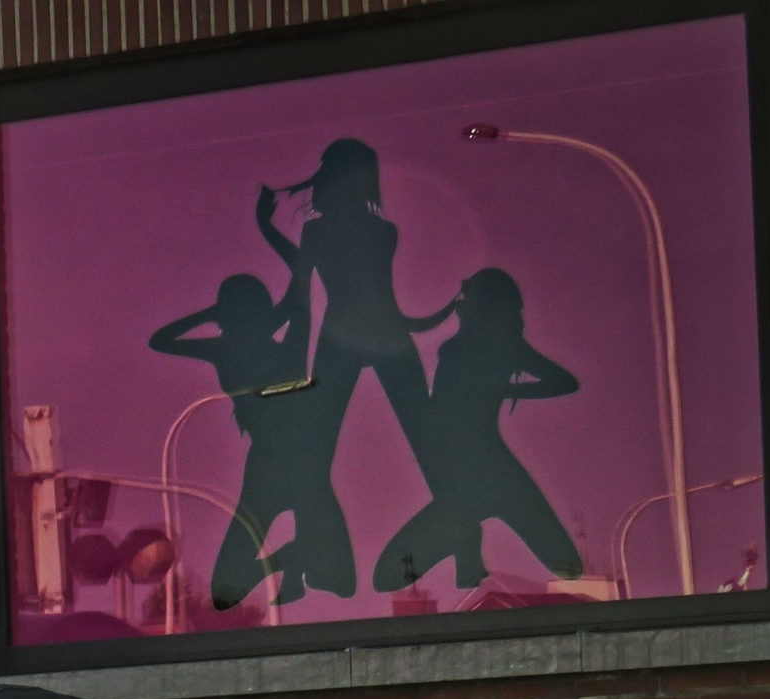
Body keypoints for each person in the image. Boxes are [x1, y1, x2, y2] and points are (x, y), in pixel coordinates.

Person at [254, 138, 456, 597]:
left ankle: (312, 565)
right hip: (377, 338)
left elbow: (301, 293)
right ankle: (315, 565)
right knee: (424, 445)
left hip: (349, 339)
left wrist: (265, 228)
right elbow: (377, 300)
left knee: (317, 456)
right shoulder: (381, 232)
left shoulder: (329, 232)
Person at [372, 269, 582, 592]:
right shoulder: (488, 348)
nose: (459, 303)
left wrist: (508, 391)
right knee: (389, 574)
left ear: (484, 304)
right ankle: (467, 552)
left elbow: (566, 382)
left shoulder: (495, 348)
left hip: (482, 474)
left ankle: (467, 549)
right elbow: (563, 382)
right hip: (469, 478)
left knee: (567, 564)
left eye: (466, 296)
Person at [149, 271, 347, 609]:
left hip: (287, 464)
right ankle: (290, 559)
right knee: (228, 589)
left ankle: (294, 561)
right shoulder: (234, 349)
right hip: (278, 464)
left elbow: (299, 308)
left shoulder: (229, 350)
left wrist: (209, 314)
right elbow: (159, 341)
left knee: (336, 577)